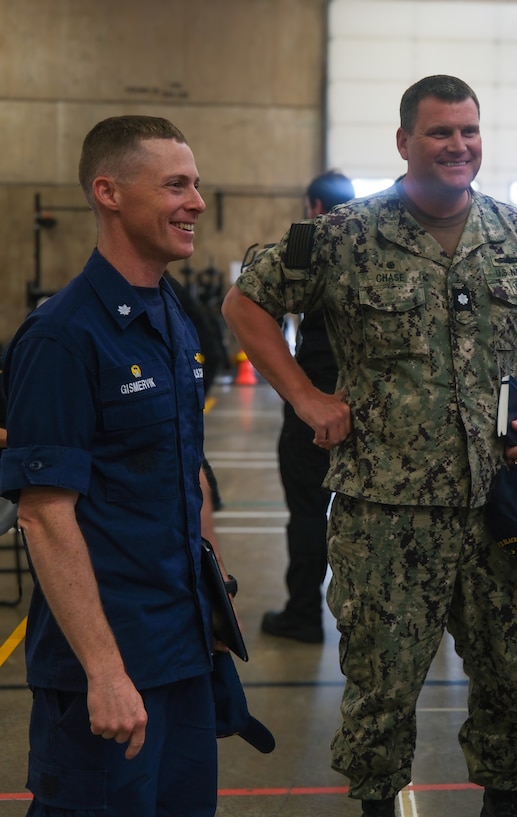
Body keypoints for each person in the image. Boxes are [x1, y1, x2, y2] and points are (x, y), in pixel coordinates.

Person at [221, 74, 517, 817]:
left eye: (469, 130)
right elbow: (245, 303)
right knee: (382, 681)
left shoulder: (516, 235)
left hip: (498, 502)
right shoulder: (345, 235)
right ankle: (377, 806)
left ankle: (502, 802)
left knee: (510, 669)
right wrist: (307, 397)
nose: (458, 145)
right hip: (387, 511)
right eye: (441, 132)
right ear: (405, 141)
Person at [0, 115, 227, 815]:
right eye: (175, 185)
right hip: (111, 663)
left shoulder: (172, 316)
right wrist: (104, 671)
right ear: (108, 192)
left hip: (183, 649)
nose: (195, 201)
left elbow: (188, 466)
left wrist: (214, 594)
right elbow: (43, 511)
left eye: (195, 184)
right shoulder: (63, 337)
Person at [261, 170, 356, 644]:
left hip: (314, 404)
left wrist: (301, 396)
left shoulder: (306, 246)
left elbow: (257, 309)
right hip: (371, 406)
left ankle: (302, 614)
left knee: (306, 513)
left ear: (315, 206)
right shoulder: (371, 242)